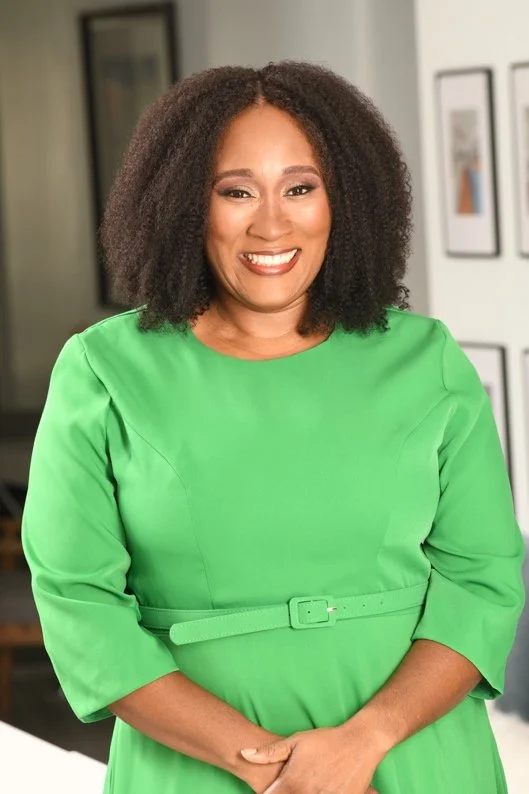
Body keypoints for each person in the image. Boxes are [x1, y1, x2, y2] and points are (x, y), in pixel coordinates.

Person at [21, 61, 525, 794]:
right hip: (192, 767)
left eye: (300, 187)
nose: (271, 222)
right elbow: (78, 606)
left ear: (342, 199)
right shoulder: (103, 371)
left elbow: (480, 580)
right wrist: (264, 765)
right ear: (185, 205)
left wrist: (363, 743)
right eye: (235, 191)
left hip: (412, 758)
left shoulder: (426, 361)